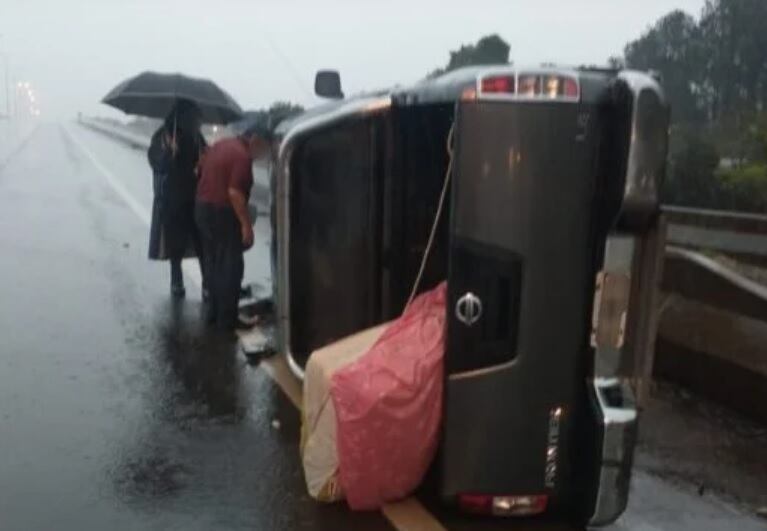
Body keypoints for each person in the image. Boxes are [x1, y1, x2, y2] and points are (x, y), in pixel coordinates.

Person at [195, 119, 272, 331]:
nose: (262, 154)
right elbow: (235, 193)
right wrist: (246, 225)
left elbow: (200, 167)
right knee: (231, 267)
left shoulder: (221, 144)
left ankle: (212, 314)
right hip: (222, 212)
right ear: (255, 140)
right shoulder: (242, 157)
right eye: (264, 147)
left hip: (202, 208)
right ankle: (227, 322)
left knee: (212, 263)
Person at [147, 100, 208, 298]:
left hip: (195, 197)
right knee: (176, 244)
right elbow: (156, 164)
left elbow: (207, 158)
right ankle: (176, 282)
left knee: (202, 242)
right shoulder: (163, 136)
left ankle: (207, 284)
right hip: (171, 199)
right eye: (193, 117)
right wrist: (168, 152)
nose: (197, 122)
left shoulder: (196, 137)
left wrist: (202, 163)